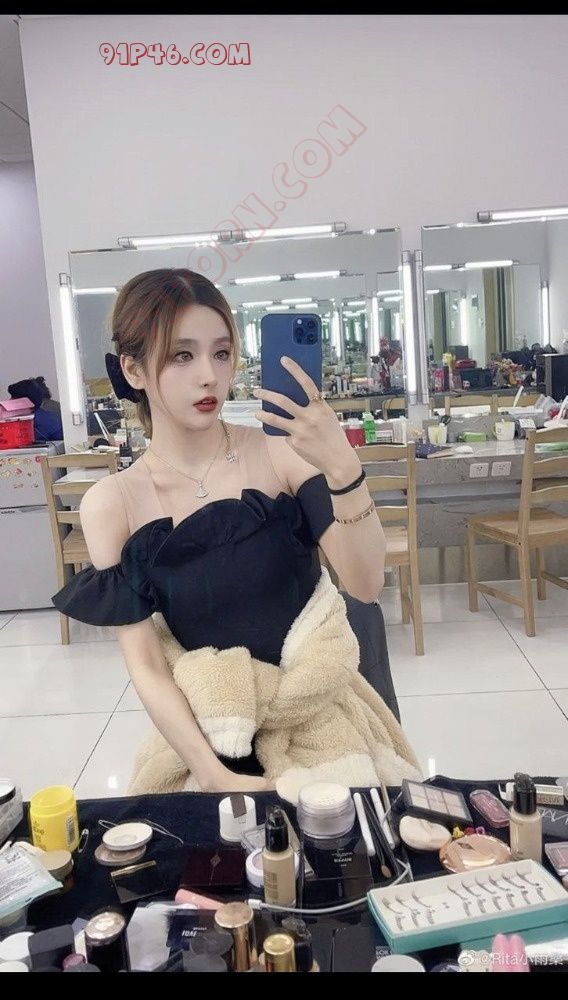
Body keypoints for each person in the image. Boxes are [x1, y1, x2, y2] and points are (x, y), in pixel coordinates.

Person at [53, 269, 392, 794]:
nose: (210, 376)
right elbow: (147, 665)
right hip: (207, 733)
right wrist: (214, 776)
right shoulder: (113, 504)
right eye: (182, 356)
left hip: (319, 720)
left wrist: (344, 468)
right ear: (133, 369)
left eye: (221, 353)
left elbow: (366, 585)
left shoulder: (280, 455)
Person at [8, 377, 63, 441]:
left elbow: (20, 440)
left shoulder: (44, 420)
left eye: (14, 398)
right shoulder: (39, 415)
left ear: (25, 401)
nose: (10, 400)